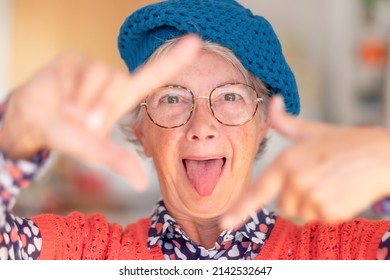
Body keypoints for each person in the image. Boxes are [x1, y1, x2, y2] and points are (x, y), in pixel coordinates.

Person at [1, 0, 390, 260]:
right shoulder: (87, 254)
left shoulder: (340, 254)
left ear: (263, 121)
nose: (202, 126)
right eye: (172, 99)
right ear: (141, 132)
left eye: (230, 97)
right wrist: (11, 141)